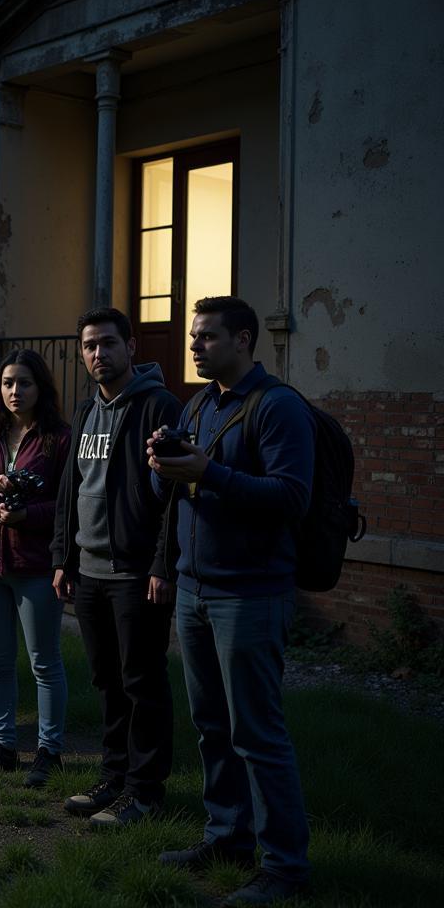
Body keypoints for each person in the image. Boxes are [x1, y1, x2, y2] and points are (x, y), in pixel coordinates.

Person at [149, 296, 314, 906]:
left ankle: (285, 867)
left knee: (258, 734)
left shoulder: (278, 407)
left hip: (250, 594)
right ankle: (227, 836)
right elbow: (178, 491)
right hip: (195, 589)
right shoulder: (197, 404)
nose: (194, 346)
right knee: (212, 726)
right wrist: (163, 463)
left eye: (208, 337)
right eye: (195, 337)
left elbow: (290, 497)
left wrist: (205, 472)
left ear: (245, 340)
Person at [52, 307, 182, 826]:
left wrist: (161, 563)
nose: (98, 354)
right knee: (107, 680)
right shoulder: (85, 412)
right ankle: (115, 774)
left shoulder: (160, 406)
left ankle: (146, 792)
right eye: (89, 346)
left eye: (108, 343)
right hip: (88, 572)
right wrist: (63, 556)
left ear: (131, 346)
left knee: (142, 682)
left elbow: (173, 495)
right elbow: (70, 490)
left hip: (135, 574)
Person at [0, 349, 71, 786]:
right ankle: (3, 746)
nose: (15, 391)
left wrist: (27, 516)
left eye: (24, 383)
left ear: (40, 387)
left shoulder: (59, 438)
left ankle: (49, 751)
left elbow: (66, 505)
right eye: (7, 383)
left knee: (44, 661)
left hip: (36, 564)